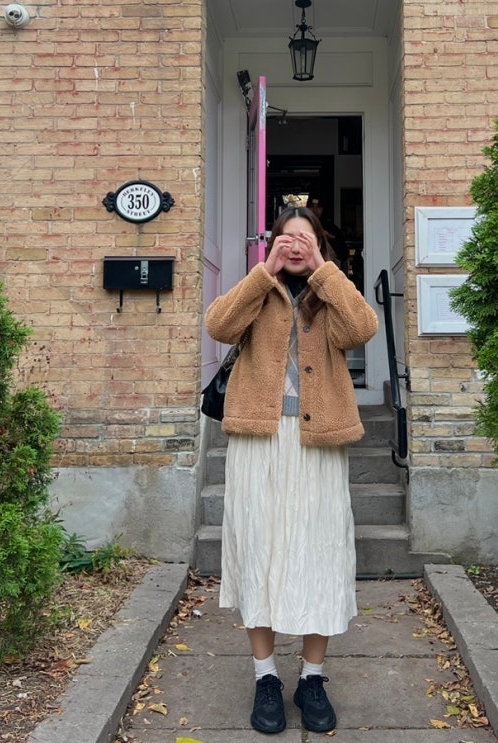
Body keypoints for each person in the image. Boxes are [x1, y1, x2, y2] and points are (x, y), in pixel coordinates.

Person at [204, 205, 379, 735]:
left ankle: (312, 677)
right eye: (287, 238)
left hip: (317, 444)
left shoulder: (330, 293)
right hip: (258, 441)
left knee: (319, 554)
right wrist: (264, 272)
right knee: (258, 549)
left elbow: (362, 329)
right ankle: (265, 677)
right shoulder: (258, 290)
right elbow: (218, 325)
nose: (296, 245)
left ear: (319, 244)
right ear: (272, 244)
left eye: (306, 238)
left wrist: (326, 270)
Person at [308, 196, 348, 267]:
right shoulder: (302, 226)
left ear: (323, 209)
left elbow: (343, 254)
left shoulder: (332, 228)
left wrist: (329, 237)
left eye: (318, 207)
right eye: (312, 207)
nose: (315, 210)